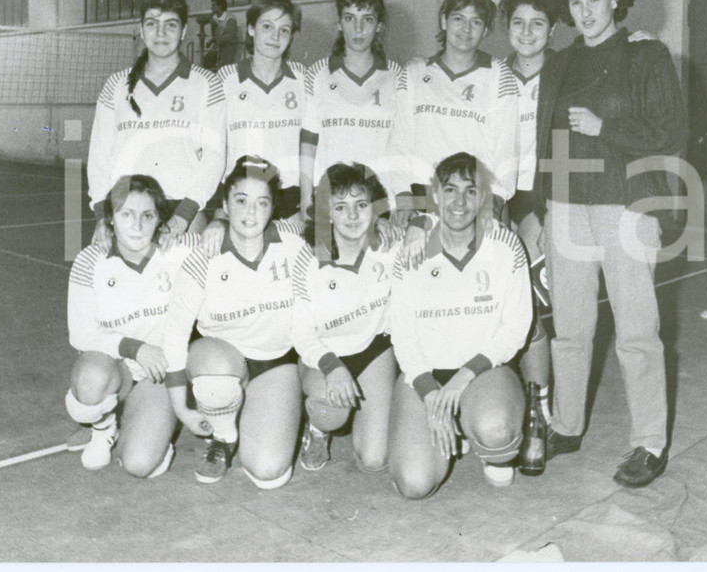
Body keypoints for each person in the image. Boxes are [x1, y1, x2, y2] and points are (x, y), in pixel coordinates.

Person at [534, 0, 687, 488]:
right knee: (570, 331)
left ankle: (649, 442)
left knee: (636, 332)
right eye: (574, 2)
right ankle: (567, 426)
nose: (584, 11)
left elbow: (670, 133)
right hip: (567, 207)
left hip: (626, 205)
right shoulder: (559, 62)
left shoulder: (647, 55)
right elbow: (541, 141)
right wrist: (542, 206)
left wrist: (605, 126)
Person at [388, 152, 532, 498]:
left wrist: (462, 380)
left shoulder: (505, 245)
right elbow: (403, 336)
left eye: (471, 191)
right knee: (414, 484)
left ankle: (481, 435)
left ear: (483, 197)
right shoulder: (410, 252)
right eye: (450, 190)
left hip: (480, 374)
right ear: (435, 195)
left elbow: (516, 326)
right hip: (425, 376)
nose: (460, 202)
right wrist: (431, 394)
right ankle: (448, 423)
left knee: (498, 433)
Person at [163, 156, 305, 489]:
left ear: (273, 207)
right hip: (221, 359)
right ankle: (224, 437)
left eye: (262, 202)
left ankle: (259, 408)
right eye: (241, 201)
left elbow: (333, 227)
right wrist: (181, 410)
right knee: (215, 381)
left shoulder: (295, 245)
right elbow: (174, 333)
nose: (251, 213)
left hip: (274, 362)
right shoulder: (204, 254)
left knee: (268, 471)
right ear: (225, 204)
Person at [65, 175, 198, 477]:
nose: (137, 226)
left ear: (160, 219)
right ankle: (103, 427)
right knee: (89, 380)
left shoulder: (180, 249)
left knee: (139, 464)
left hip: (160, 374)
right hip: (118, 367)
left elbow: (238, 239)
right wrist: (135, 349)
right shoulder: (90, 261)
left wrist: (218, 226)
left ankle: (148, 428)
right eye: (127, 214)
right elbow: (81, 333)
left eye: (147, 215)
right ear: (109, 219)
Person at [87, 0, 225, 250]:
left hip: (182, 215)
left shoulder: (206, 84)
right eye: (152, 24)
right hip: (126, 214)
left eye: (170, 25)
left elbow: (215, 157)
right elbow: (99, 158)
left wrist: (183, 217)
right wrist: (102, 216)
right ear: (141, 29)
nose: (161, 34)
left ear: (184, 31)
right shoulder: (116, 86)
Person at [291, 162, 399, 474]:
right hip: (324, 354)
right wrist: (332, 367)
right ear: (327, 214)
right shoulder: (310, 257)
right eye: (341, 207)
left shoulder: (390, 246)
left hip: (373, 349)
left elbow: (434, 223)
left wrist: (412, 227)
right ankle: (317, 429)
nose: (352, 216)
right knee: (329, 410)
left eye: (361, 205)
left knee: (374, 459)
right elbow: (300, 333)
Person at [386, 0, 519, 231]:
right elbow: (399, 141)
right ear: (444, 21)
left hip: (474, 201)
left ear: (486, 30)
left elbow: (506, 149)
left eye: (476, 22)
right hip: (421, 199)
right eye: (458, 18)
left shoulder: (499, 74)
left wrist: (494, 204)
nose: (466, 29)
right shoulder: (414, 73)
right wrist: (403, 199)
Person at [200, 0, 306, 253]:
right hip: (240, 198)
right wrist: (219, 214)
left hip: (289, 201)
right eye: (267, 27)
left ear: (291, 36)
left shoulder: (304, 79)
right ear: (250, 29)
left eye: (284, 30)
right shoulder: (224, 80)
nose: (275, 36)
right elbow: (212, 151)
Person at [497, 0, 557, 420]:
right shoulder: (494, 77)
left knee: (542, 310)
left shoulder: (567, 75)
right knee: (503, 303)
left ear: (552, 29)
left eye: (538, 24)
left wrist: (541, 210)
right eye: (519, 23)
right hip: (500, 203)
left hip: (549, 201)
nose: (528, 33)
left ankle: (541, 403)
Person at [299, 0, 402, 219]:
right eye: (349, 18)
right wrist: (306, 198)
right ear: (339, 24)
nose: (358, 28)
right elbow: (308, 142)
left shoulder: (397, 76)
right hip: (331, 200)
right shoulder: (317, 73)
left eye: (367, 19)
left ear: (379, 26)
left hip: (381, 202)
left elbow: (402, 146)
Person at [205, 0, 240, 72]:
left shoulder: (230, 18)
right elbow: (217, 35)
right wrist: (211, 41)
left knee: (224, 67)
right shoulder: (214, 18)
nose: (211, 7)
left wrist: (215, 39)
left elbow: (229, 37)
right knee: (207, 59)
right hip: (219, 45)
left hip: (229, 46)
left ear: (220, 6)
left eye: (214, 5)